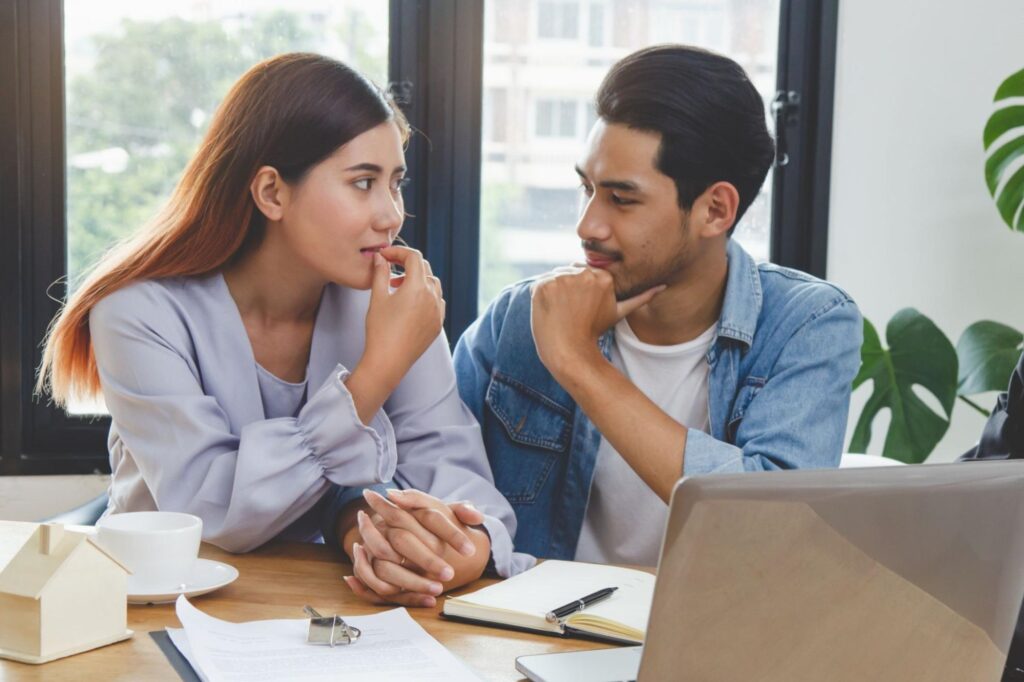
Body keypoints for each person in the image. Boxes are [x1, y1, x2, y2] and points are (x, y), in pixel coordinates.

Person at [37, 53, 531, 608]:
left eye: (396, 183)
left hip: (333, 612)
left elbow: (456, 475)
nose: (391, 215)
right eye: (362, 183)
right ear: (272, 192)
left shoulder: (391, 304)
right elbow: (213, 510)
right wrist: (375, 376)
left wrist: (464, 546)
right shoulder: (137, 313)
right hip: (162, 613)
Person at [451, 44, 864, 567]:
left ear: (715, 210)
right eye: (587, 188)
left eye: (622, 199)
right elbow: (432, 473)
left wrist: (580, 363)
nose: (587, 226)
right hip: (527, 636)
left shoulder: (807, 324)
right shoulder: (521, 315)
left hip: (708, 641)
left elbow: (772, 527)